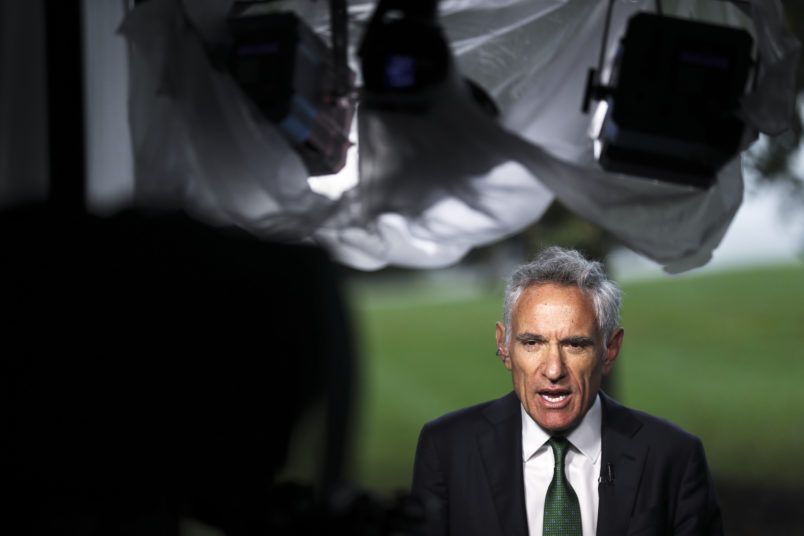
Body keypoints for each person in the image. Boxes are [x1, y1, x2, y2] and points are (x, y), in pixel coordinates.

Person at [410, 246, 723, 536]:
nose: (553, 370)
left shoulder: (674, 457)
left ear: (610, 350)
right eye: (532, 343)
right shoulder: (446, 448)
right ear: (504, 347)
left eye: (575, 345)